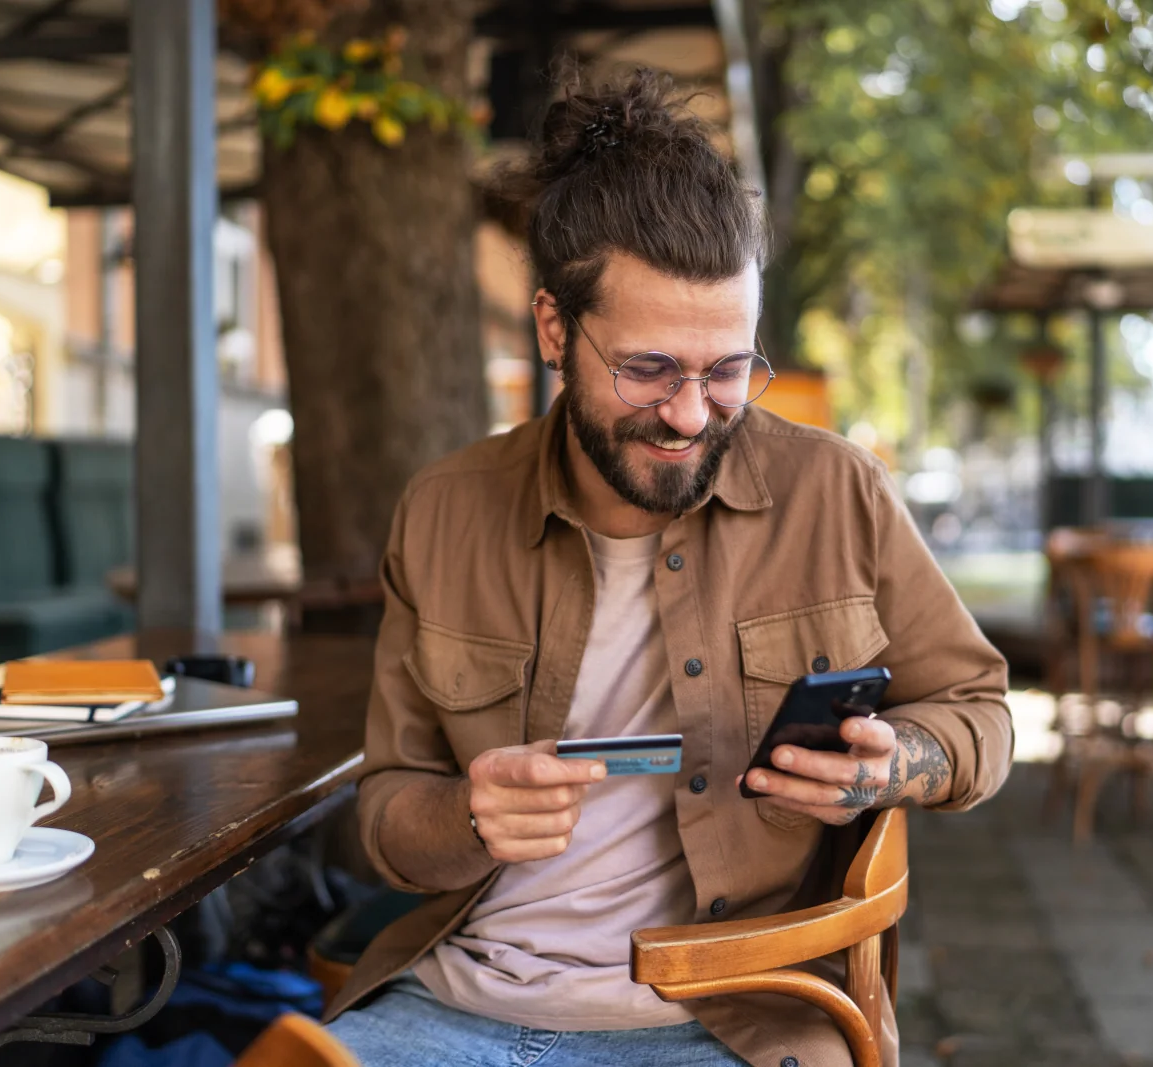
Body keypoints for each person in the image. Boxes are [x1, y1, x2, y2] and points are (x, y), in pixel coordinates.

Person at [323, 68, 1013, 1067]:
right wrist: (469, 815)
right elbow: (385, 814)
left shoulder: (837, 492)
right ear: (555, 328)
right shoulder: (443, 510)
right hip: (449, 1010)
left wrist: (891, 764)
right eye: (646, 368)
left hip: (735, 1014)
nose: (691, 412)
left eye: (727, 368)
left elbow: (981, 711)